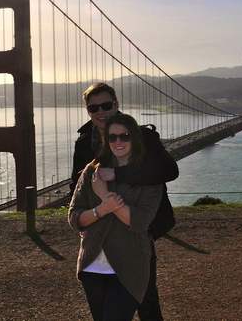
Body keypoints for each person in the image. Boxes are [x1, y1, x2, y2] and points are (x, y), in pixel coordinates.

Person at [71, 83, 177, 320]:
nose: (100, 111)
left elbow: (168, 170)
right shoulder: (84, 142)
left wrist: (118, 175)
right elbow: (75, 186)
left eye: (106, 105)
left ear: (116, 104)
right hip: (98, 236)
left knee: (146, 299)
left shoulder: (143, 136)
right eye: (93, 107)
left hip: (139, 229)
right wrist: (89, 218)